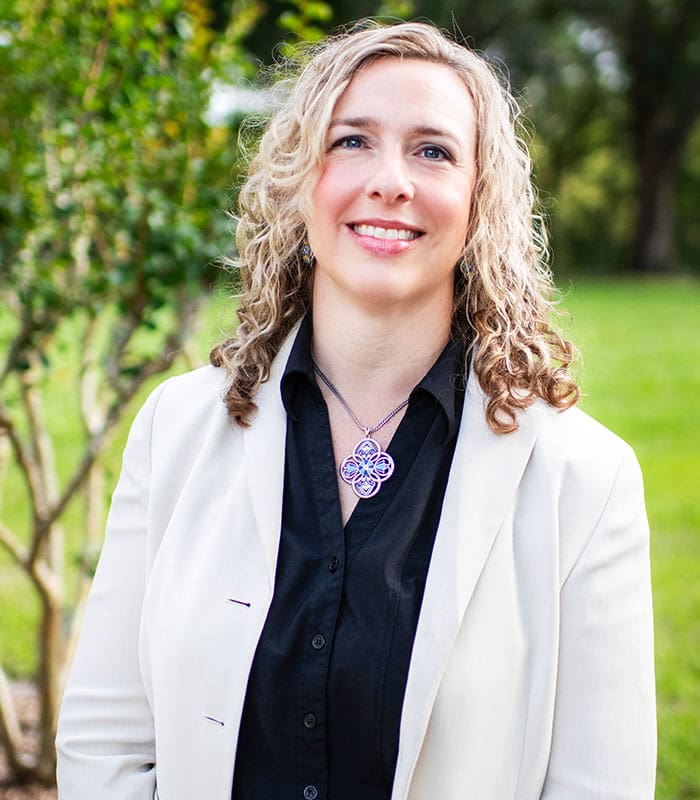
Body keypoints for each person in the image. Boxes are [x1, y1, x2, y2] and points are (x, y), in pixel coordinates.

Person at [56, 19, 656, 800]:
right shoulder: (176, 431)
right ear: (300, 180)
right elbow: (106, 740)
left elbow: (599, 785)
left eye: (433, 151)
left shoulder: (586, 480)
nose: (391, 180)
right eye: (352, 142)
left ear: (479, 204)